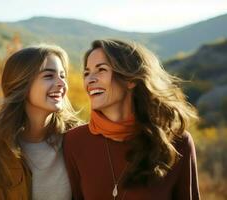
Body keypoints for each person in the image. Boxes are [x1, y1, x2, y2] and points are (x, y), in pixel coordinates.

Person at [64, 39, 200, 200]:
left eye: (101, 70)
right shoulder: (74, 141)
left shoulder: (177, 142)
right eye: (86, 73)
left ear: (131, 79)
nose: (90, 80)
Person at [0, 44, 82, 200]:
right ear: (21, 84)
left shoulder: (79, 140)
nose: (61, 84)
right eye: (49, 76)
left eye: (62, 76)